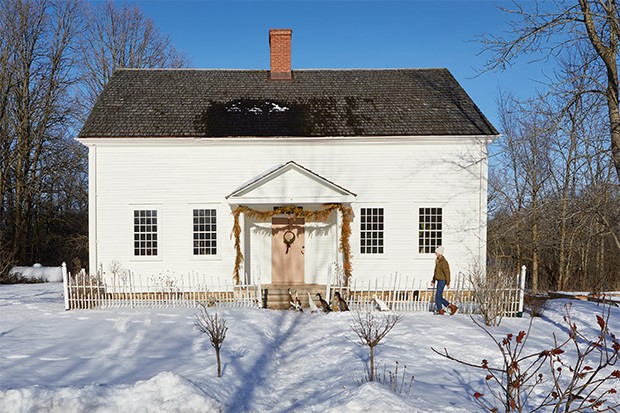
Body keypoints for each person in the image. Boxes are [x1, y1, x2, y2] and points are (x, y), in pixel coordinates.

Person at [431, 246, 458, 315]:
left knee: (438, 297)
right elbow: (436, 272)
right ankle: (449, 307)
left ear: (440, 253)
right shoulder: (438, 261)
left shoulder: (443, 262)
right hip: (439, 281)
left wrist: (448, 282)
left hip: (442, 281)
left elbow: (447, 272)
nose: (435, 253)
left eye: (436, 252)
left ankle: (443, 309)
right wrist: (433, 280)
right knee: (438, 297)